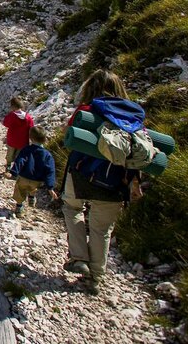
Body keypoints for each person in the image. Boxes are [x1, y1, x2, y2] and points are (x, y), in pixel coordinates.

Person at [60, 69, 144, 295]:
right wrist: (134, 182)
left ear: (90, 87)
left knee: (71, 208)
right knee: (102, 229)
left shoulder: (87, 109)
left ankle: (79, 257)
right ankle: (96, 278)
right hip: (116, 181)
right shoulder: (134, 116)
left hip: (81, 174)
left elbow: (69, 138)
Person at [9, 126, 58, 217]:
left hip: (23, 177)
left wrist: (13, 172)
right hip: (37, 180)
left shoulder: (26, 149)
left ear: (30, 138)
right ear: (44, 139)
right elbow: (50, 171)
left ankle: (19, 207)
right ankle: (31, 197)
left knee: (20, 191)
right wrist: (50, 187)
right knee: (33, 188)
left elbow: (20, 160)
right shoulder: (47, 155)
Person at [1, 97, 33, 177]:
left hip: (12, 140)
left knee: (10, 155)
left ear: (12, 106)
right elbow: (31, 128)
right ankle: (16, 172)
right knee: (19, 157)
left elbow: (5, 123)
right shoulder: (28, 117)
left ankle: (8, 167)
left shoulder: (11, 116)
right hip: (23, 142)